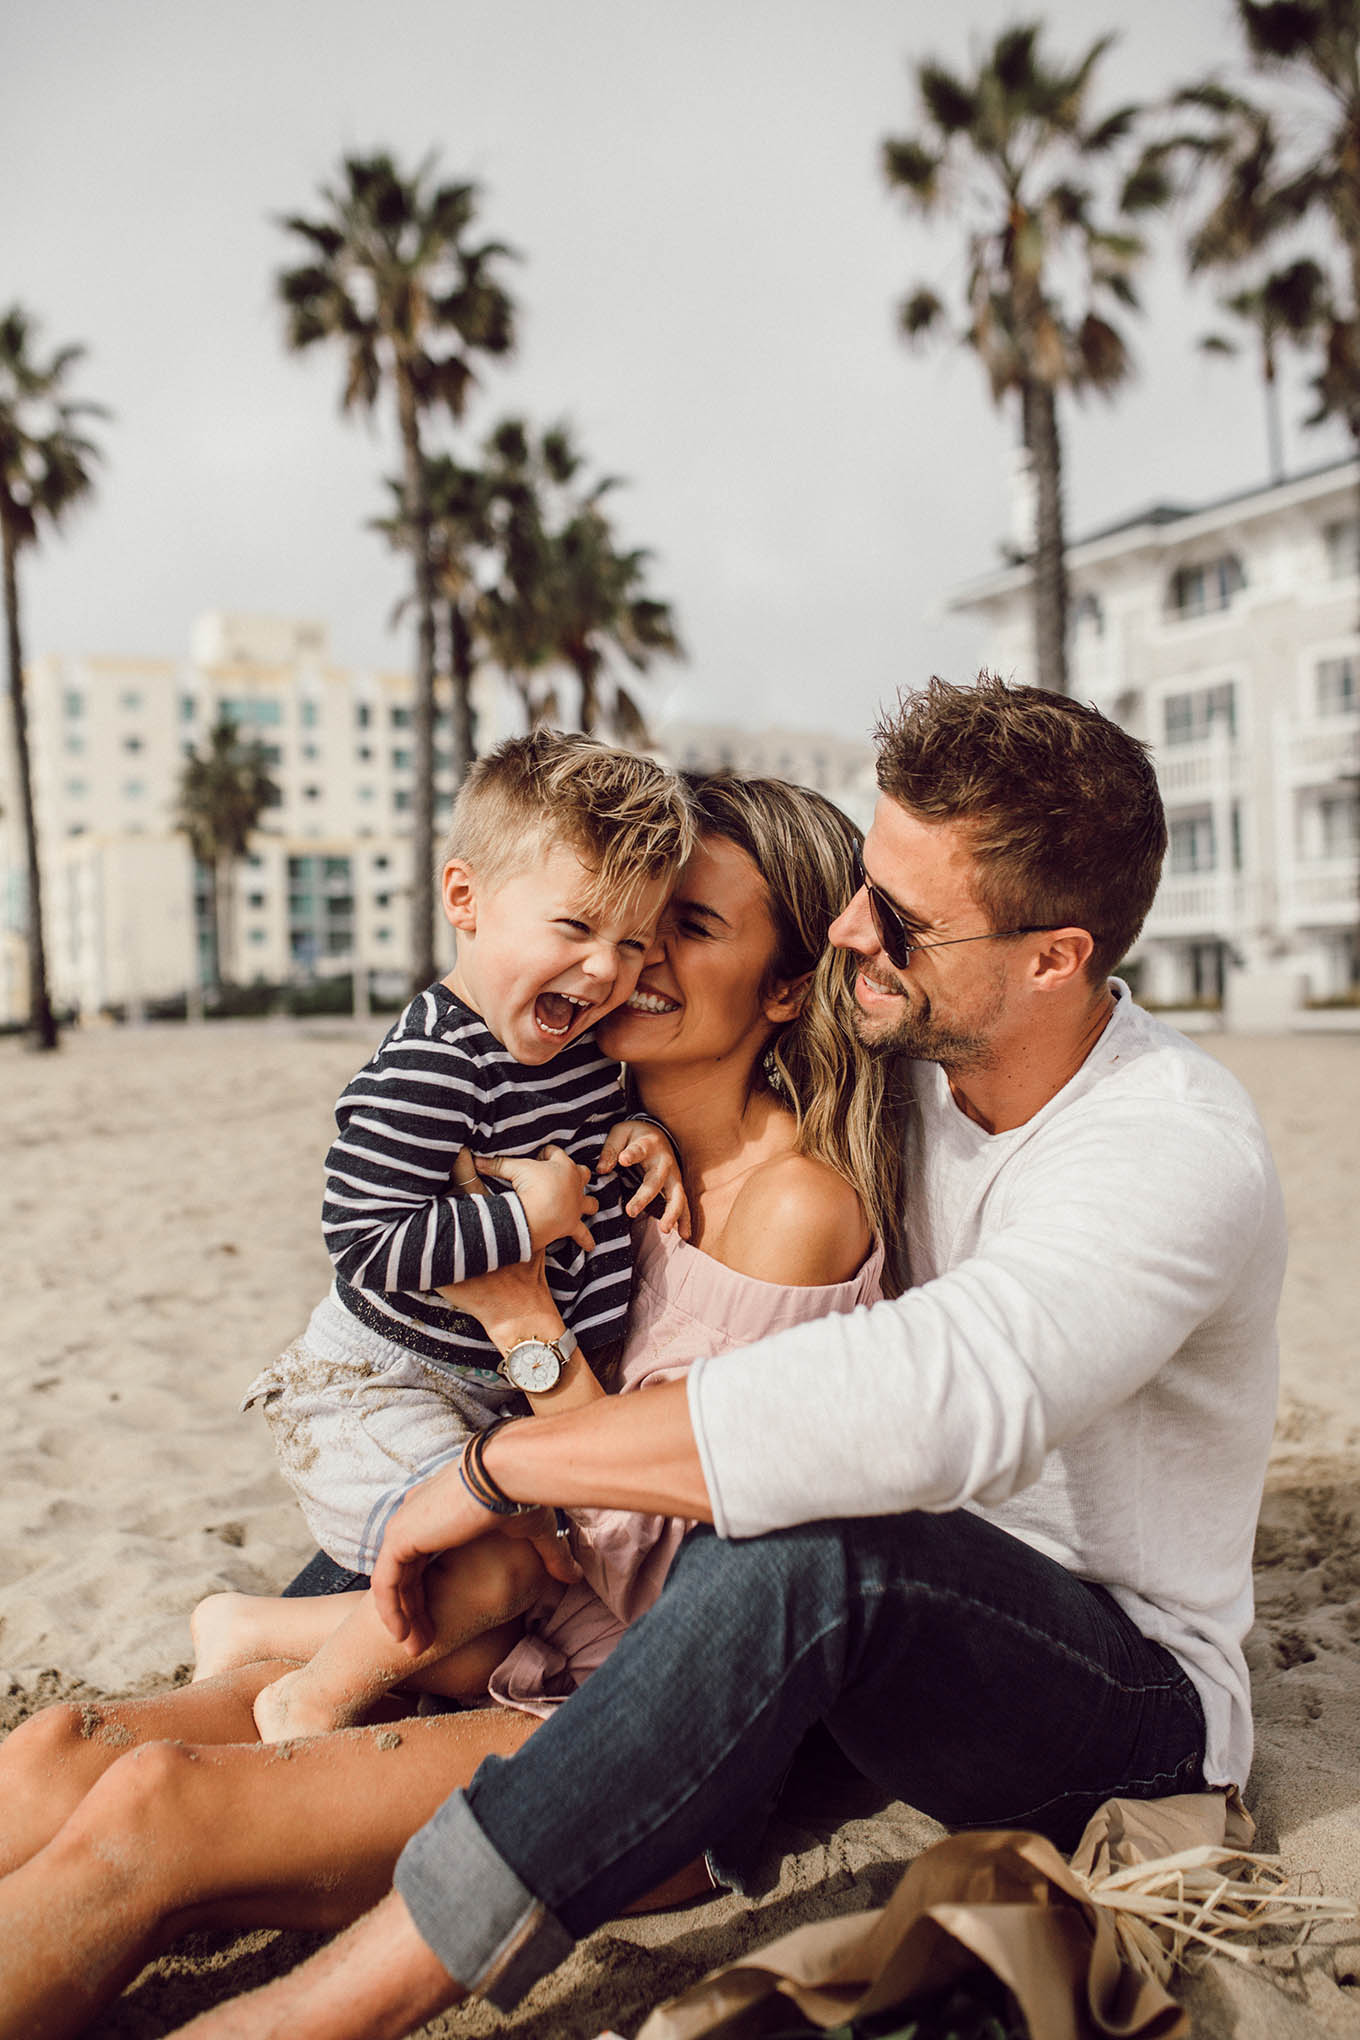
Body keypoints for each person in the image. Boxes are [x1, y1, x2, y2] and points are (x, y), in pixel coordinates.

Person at [141, 671, 1283, 2040]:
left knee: (823, 1538)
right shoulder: (904, 1057)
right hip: (816, 1648)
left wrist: (509, 1459)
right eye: (863, 885)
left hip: (1110, 1687)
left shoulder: (1168, 1149)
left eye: (906, 923)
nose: (859, 932)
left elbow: (933, 1409)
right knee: (184, 1741)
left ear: (1056, 956)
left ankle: (328, 2009)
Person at [0, 770, 902, 2039]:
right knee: (67, 1755)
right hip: (485, 1612)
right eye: (626, 923)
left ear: (787, 986)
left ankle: (274, 1648)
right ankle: (275, 1643)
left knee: (158, 1816)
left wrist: (522, 1317)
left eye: (683, 932)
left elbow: (688, 1592)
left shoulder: (795, 1211)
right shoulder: (581, 1106)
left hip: (614, 1702)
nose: (630, 964)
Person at [207, 728, 694, 1745]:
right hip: (380, 1385)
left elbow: (568, 1132)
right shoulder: (431, 1065)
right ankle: (305, 1697)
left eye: (636, 941)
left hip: (481, 1392)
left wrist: (632, 1131)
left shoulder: (569, 1045)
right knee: (499, 1572)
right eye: (575, 926)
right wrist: (528, 1218)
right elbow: (365, 1238)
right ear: (464, 900)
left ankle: (250, 1627)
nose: (606, 969)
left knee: (482, 1637)